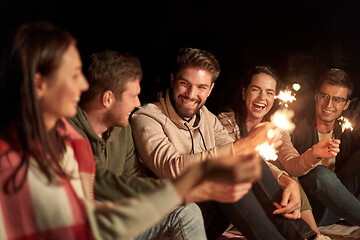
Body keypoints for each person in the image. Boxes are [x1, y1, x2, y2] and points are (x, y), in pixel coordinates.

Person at [0, 22, 262, 240]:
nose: (82, 84)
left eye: (202, 87)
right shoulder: (24, 152)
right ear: (40, 84)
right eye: (73, 74)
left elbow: (112, 182)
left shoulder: (73, 140)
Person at [131, 48, 319, 240]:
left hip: (207, 216)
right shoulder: (147, 117)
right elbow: (172, 168)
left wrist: (285, 180)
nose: (191, 94)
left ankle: (304, 237)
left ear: (210, 89)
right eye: (184, 84)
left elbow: (243, 156)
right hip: (172, 221)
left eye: (201, 87)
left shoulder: (207, 119)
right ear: (172, 81)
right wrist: (242, 146)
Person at [68, 50, 208, 239]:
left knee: (185, 212)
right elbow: (93, 188)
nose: (137, 103)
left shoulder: (121, 129)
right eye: (133, 96)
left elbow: (132, 177)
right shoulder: (67, 132)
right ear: (108, 99)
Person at [217, 65, 330, 239]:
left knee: (292, 179)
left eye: (270, 92)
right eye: (256, 90)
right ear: (243, 92)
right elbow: (242, 162)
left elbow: (292, 164)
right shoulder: (225, 123)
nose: (262, 98)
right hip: (238, 202)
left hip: (272, 203)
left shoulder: (276, 127)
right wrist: (283, 178)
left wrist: (314, 153)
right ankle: (310, 235)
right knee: (285, 178)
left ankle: (313, 234)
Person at [286, 68, 360, 226]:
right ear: (316, 96)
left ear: (346, 105)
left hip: (340, 205)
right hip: (311, 211)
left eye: (337, 100)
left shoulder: (346, 130)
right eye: (324, 96)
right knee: (319, 173)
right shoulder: (295, 128)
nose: (329, 104)